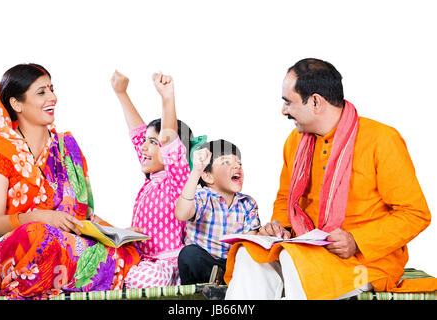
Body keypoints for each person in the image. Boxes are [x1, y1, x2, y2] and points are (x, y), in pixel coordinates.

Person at [224, 58, 435, 300]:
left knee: (294, 261)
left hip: (366, 263)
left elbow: (415, 214)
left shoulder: (381, 140)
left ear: (315, 101)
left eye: (288, 102)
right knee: (249, 255)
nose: (283, 110)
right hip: (307, 250)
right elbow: (285, 199)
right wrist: (279, 226)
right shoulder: (294, 143)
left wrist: (357, 241)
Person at [0, 64, 140, 299]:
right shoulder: (0, 151)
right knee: (39, 235)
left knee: (129, 251)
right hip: (16, 247)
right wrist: (37, 217)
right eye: (41, 92)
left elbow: (81, 216)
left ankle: (58, 280)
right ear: (16, 104)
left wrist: (117, 233)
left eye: (52, 89)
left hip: (65, 241)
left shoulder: (66, 147)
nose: (53, 98)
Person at [111, 70, 198, 288]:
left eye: (153, 142)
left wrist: (167, 98)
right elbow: (138, 134)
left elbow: (168, 141)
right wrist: (121, 93)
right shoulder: (150, 183)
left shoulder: (177, 181)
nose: (143, 146)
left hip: (165, 264)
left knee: (143, 278)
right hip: (140, 260)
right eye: (146, 142)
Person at [175, 140, 261, 286]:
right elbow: (182, 214)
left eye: (239, 163)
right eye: (226, 162)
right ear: (208, 176)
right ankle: (217, 283)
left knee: (252, 258)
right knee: (188, 255)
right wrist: (196, 171)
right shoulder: (202, 197)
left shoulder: (248, 203)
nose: (237, 166)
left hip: (233, 265)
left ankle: (225, 281)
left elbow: (251, 242)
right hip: (205, 263)